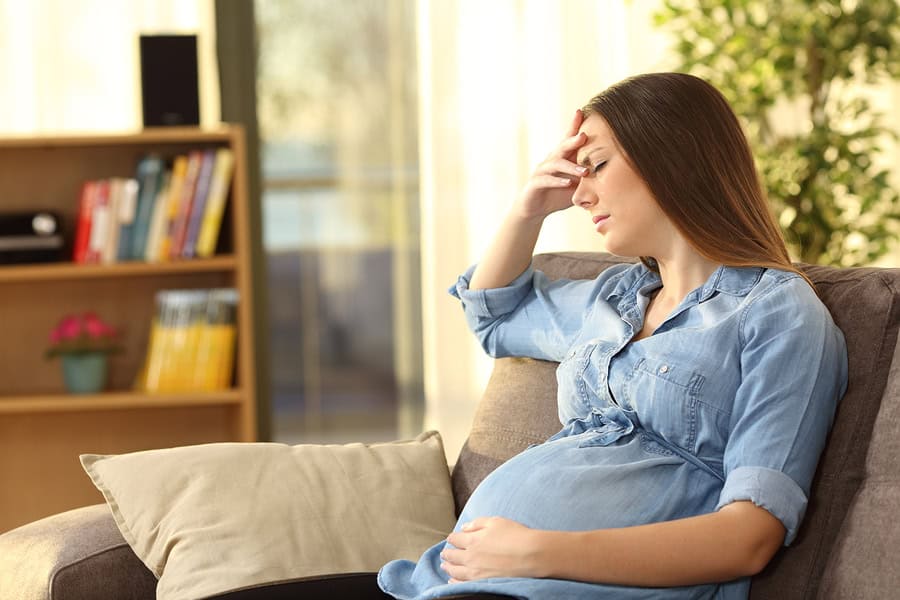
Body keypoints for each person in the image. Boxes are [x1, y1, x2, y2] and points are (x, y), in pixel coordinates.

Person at [377, 72, 848, 599]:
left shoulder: (779, 315)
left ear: (674, 159)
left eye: (597, 166)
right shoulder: (614, 299)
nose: (579, 194)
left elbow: (749, 537)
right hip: (453, 582)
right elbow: (493, 315)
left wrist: (536, 552)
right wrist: (526, 208)